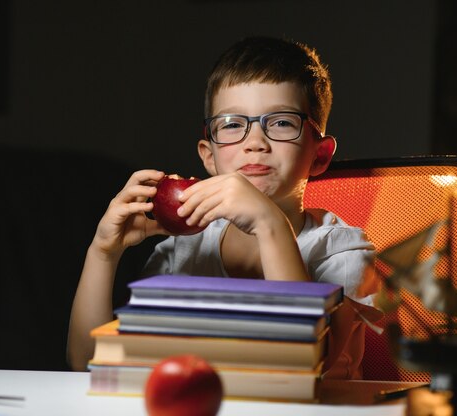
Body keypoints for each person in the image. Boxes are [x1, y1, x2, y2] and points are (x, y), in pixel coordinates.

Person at [67, 36, 380, 377]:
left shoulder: (343, 253)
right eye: (232, 125)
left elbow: (303, 369)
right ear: (209, 157)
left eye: (281, 123)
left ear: (319, 155)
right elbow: (88, 361)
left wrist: (268, 223)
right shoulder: (185, 251)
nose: (255, 143)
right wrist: (103, 252)